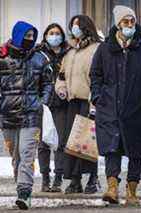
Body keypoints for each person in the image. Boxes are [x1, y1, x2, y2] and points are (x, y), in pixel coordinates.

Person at [90, 5, 141, 205]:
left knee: (135, 151)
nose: (130, 25)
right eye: (125, 21)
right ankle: (112, 188)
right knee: (112, 149)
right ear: (117, 24)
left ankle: (132, 192)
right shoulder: (105, 48)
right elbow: (95, 75)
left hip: (136, 109)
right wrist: (97, 97)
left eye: (132, 21)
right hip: (109, 108)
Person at [0, 21, 53, 210]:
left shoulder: (39, 58)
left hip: (32, 116)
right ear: (17, 35)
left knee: (27, 155)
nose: (29, 40)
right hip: (8, 116)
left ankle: (24, 194)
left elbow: (48, 83)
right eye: (26, 36)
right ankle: (21, 188)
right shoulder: (0, 58)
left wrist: (41, 102)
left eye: (32, 36)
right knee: (16, 157)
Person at [55, 15, 101, 194]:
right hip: (71, 102)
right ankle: (75, 180)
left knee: (88, 142)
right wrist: (61, 88)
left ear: (86, 27)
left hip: (88, 101)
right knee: (72, 143)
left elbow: (99, 77)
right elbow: (61, 76)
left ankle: (92, 178)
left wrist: (95, 101)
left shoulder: (96, 49)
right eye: (72, 25)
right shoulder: (70, 52)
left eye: (77, 25)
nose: (74, 28)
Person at [37, 23, 70, 193]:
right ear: (45, 35)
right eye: (51, 33)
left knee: (60, 142)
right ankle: (45, 178)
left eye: (58, 33)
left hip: (63, 104)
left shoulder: (69, 52)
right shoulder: (38, 53)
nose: (55, 36)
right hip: (43, 102)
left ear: (63, 36)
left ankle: (58, 178)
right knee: (43, 143)